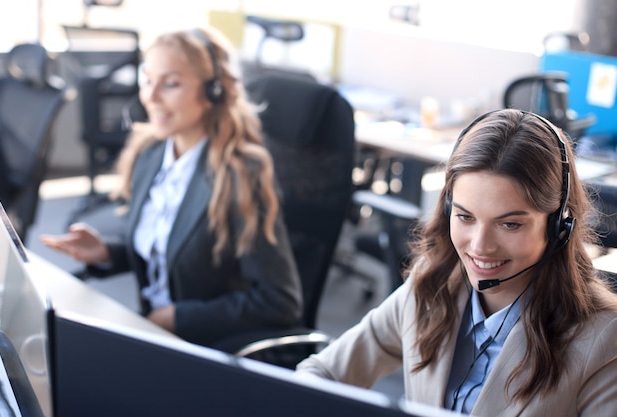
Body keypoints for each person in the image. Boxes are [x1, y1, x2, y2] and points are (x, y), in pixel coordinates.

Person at [296, 109, 617, 416]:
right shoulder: (431, 287)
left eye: (510, 224)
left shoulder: (602, 339)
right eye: (465, 216)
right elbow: (322, 373)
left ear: (559, 227)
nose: (480, 246)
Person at [40, 27, 302, 351]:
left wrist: (177, 317)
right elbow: (171, 250)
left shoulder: (238, 175)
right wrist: (108, 252)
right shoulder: (150, 153)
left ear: (214, 92)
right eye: (148, 79)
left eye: (171, 84)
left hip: (207, 349)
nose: (150, 96)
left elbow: (281, 301)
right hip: (155, 333)